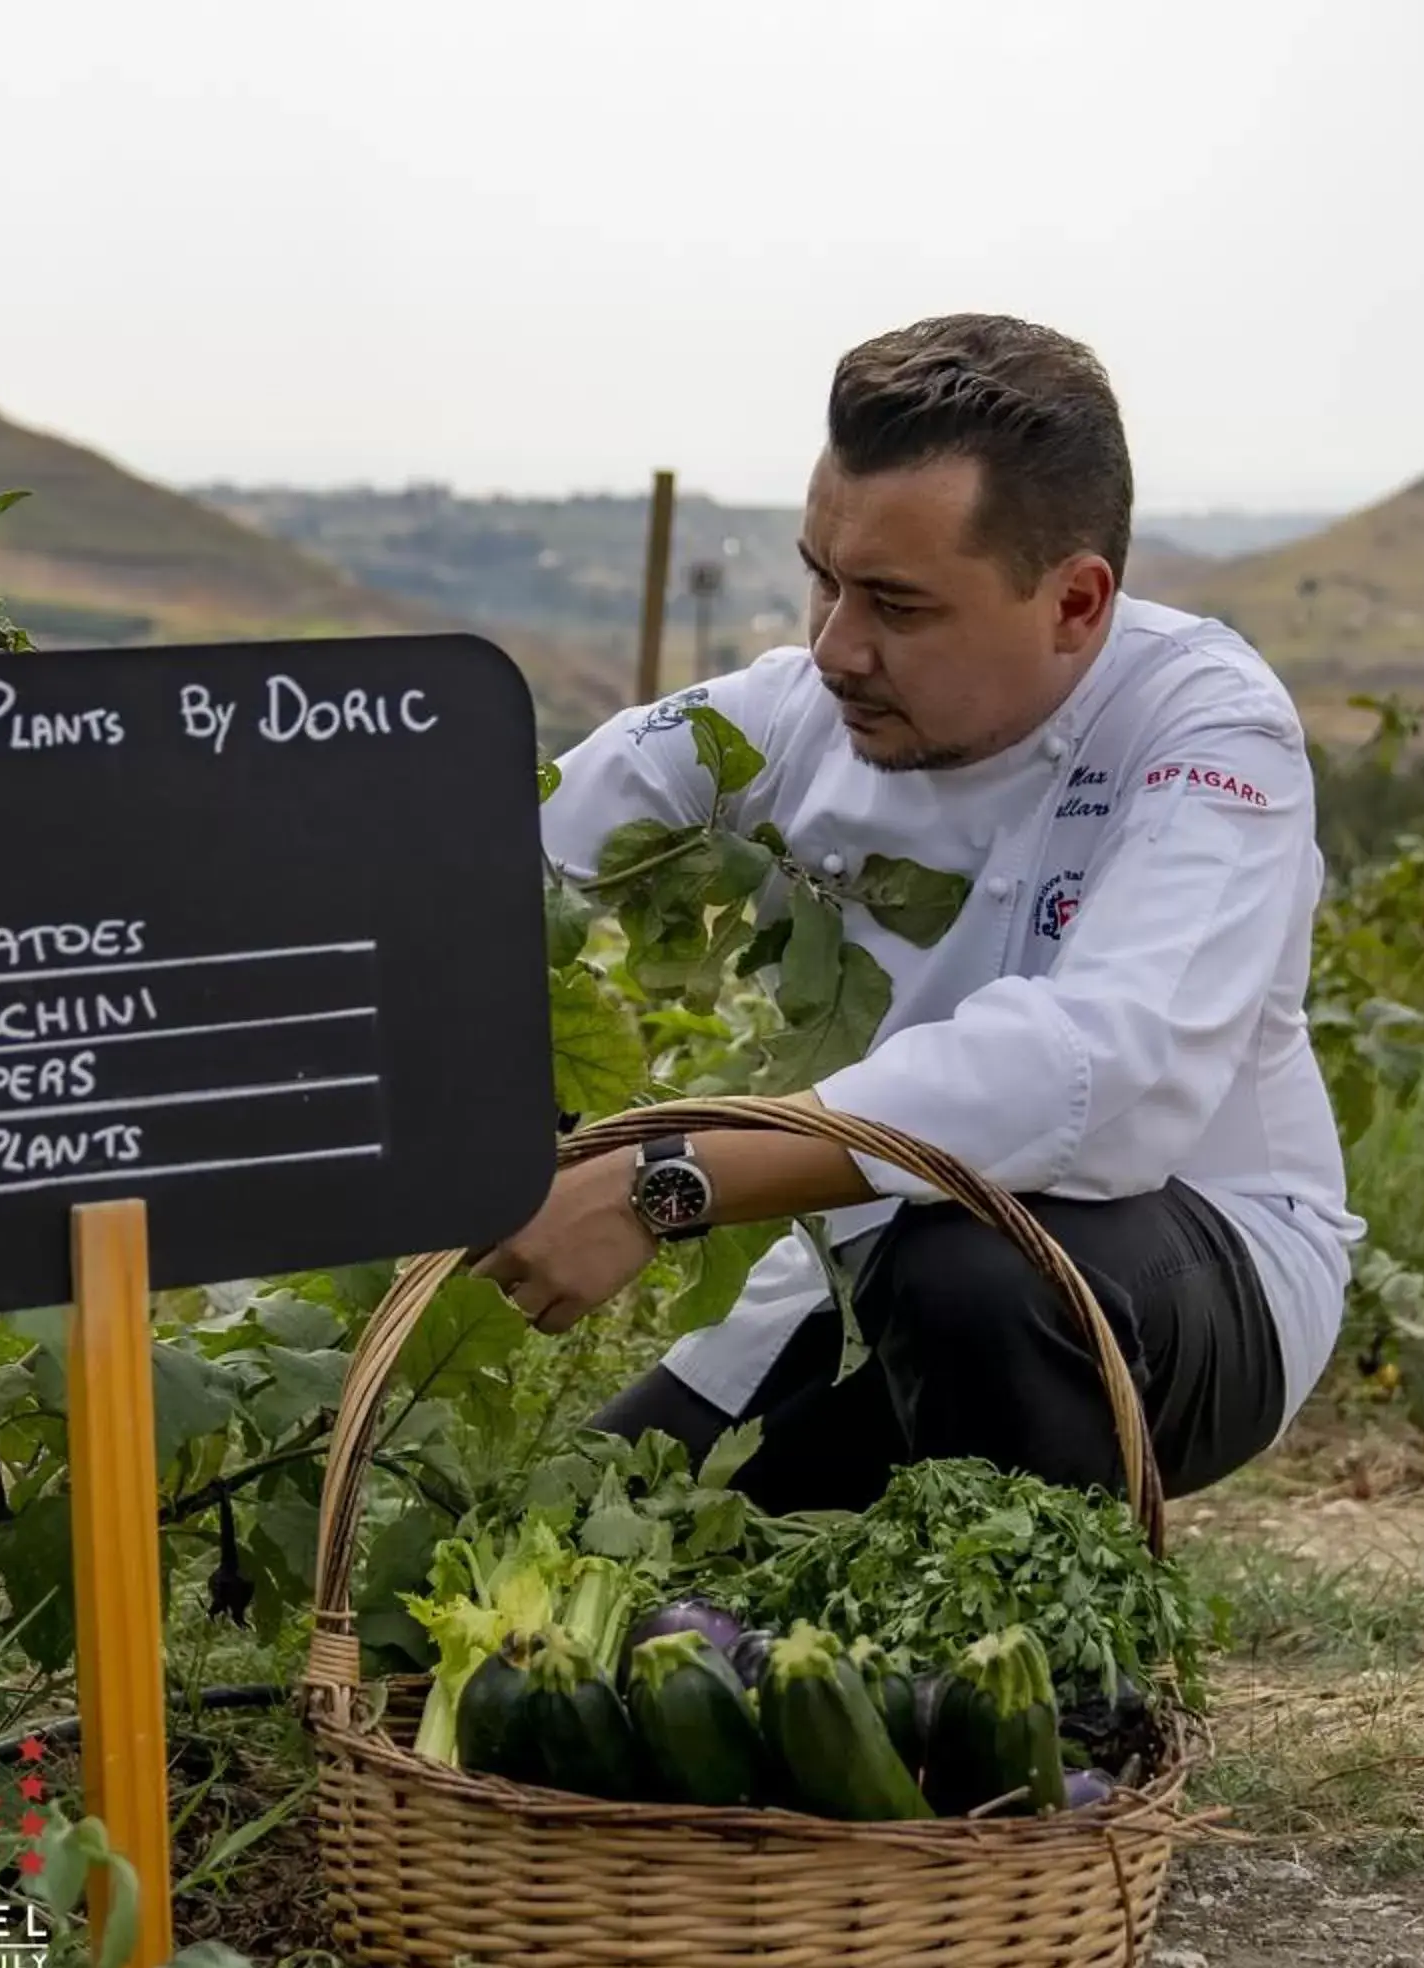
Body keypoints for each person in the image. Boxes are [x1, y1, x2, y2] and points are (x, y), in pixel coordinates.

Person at [471, 312, 1362, 1516]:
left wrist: (659, 1181)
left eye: (896, 603)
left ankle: (1067, 1689)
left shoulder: (1205, 727)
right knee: (581, 1534)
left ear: (1077, 604)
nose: (835, 647)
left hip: (1196, 1266)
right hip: (857, 1257)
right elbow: (522, 849)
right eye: (821, 578)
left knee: (973, 1280)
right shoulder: (789, 715)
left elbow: (1101, 1072)